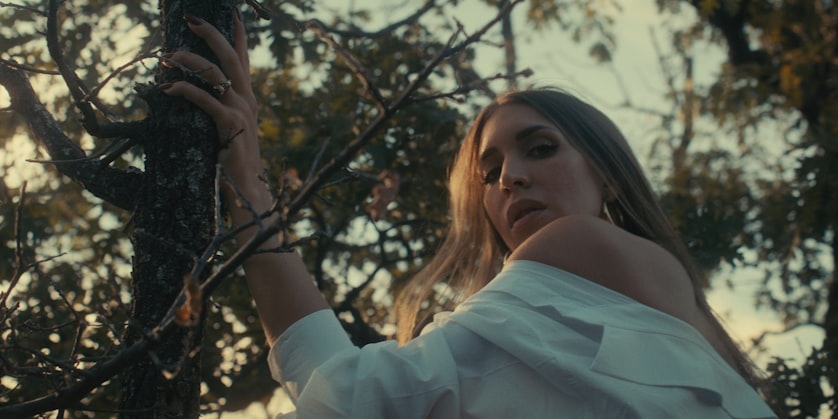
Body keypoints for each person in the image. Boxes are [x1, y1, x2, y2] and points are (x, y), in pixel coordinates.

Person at [161, 12, 778, 418]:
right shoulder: (707, 338)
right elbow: (334, 381)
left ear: (608, 171)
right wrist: (249, 185)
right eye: (489, 173)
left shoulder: (578, 246)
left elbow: (356, 401)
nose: (510, 177)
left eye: (540, 148)